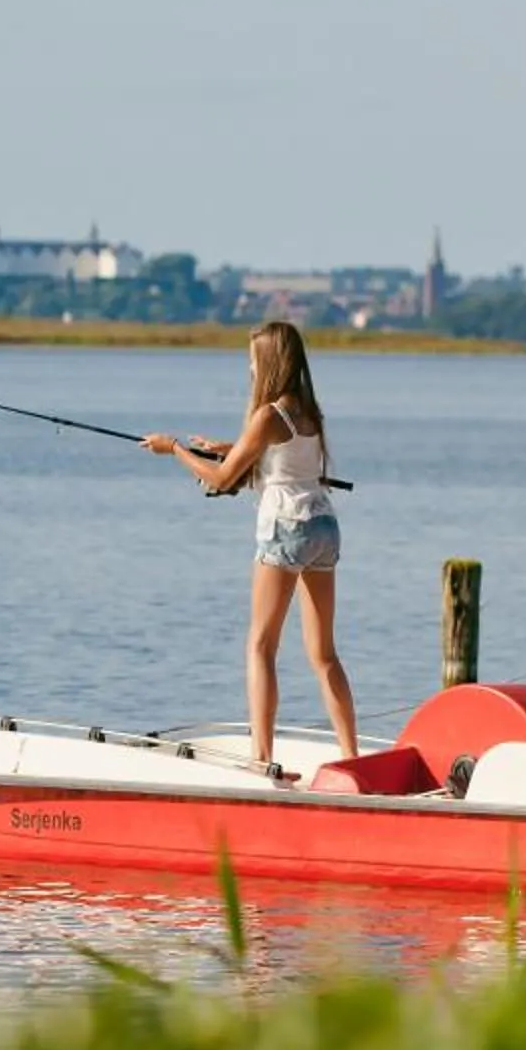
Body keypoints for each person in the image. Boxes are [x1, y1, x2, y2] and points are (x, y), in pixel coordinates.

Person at [144, 321, 361, 766]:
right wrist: (231, 445)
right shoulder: (308, 409)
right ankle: (352, 754)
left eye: (252, 359)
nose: (248, 366)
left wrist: (175, 451)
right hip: (323, 527)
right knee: (323, 655)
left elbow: (225, 481)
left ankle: (262, 757)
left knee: (261, 646)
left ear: (268, 363)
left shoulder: (266, 416)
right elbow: (282, 461)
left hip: (287, 530)